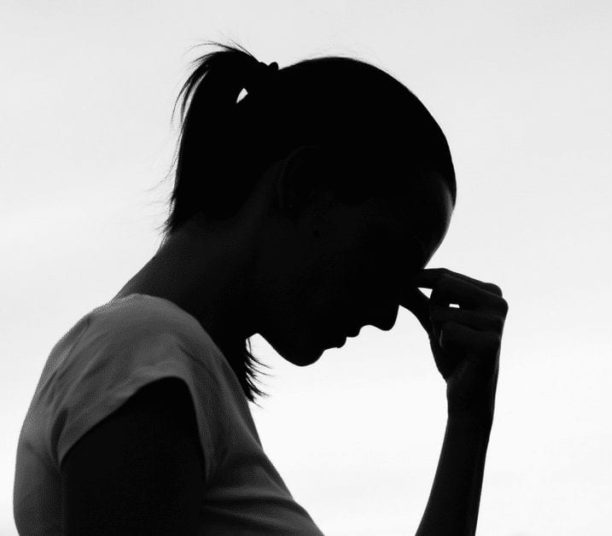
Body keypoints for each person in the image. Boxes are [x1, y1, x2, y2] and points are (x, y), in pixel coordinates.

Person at [13, 42, 508, 535]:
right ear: (303, 186)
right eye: (387, 261)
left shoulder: (158, 361)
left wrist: (470, 412)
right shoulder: (142, 350)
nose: (387, 315)